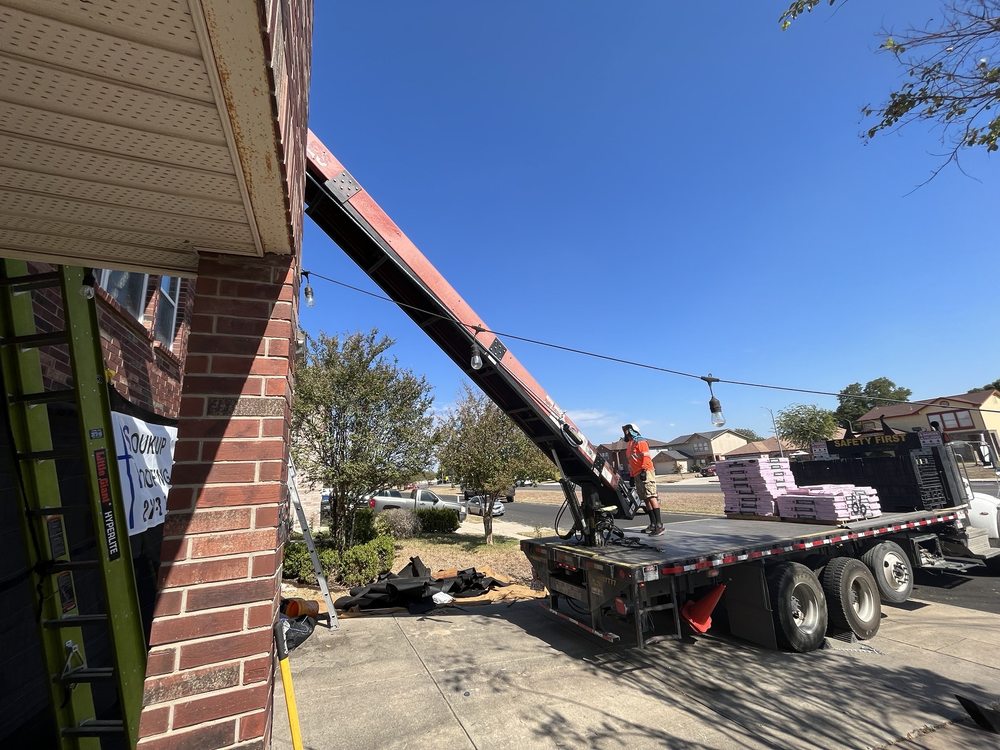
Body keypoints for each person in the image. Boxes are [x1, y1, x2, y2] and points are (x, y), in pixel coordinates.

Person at [622, 423, 664, 535]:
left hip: (646, 472)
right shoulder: (630, 444)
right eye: (625, 430)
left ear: (632, 430)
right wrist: (631, 475)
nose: (625, 432)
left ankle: (659, 525)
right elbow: (631, 461)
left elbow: (645, 457)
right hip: (636, 473)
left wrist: (644, 470)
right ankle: (653, 524)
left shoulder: (641, 441)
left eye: (627, 430)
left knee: (651, 496)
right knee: (645, 498)